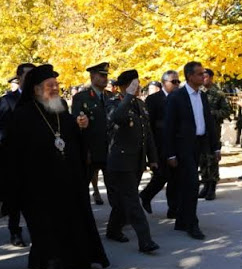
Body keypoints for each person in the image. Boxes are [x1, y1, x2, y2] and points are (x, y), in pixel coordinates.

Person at [4, 64, 109, 269]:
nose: (54, 89)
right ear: (35, 89)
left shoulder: (59, 106)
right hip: (39, 182)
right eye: (49, 85)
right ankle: (54, 266)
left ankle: (79, 258)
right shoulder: (23, 114)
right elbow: (14, 149)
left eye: (56, 85)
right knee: (47, 226)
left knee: (72, 219)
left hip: (67, 177)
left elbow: (68, 134)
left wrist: (81, 126)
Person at [103, 70, 160, 252]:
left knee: (123, 198)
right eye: (134, 84)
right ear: (124, 86)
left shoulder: (140, 104)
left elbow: (147, 133)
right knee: (133, 201)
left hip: (136, 161)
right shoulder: (114, 102)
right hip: (120, 160)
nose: (138, 87)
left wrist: (153, 159)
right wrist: (127, 96)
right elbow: (117, 118)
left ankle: (112, 229)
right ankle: (145, 240)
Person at [164, 61, 220, 240]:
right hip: (183, 147)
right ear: (189, 77)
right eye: (199, 74)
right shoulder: (176, 97)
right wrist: (170, 153)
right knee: (192, 185)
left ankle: (181, 220)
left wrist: (215, 146)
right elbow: (169, 128)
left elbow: (209, 122)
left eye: (203, 73)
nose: (203, 76)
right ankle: (192, 223)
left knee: (186, 184)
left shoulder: (202, 96)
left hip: (199, 145)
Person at [0, 63, 35, 247]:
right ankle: (15, 231)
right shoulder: (8, 100)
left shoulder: (39, 99)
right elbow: (0, 130)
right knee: (15, 199)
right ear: (19, 78)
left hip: (37, 157)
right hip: (15, 158)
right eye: (27, 75)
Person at [139, 70, 181, 217]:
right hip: (159, 144)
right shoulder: (153, 99)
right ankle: (146, 195)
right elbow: (149, 125)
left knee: (175, 179)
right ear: (164, 83)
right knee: (162, 176)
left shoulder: (180, 98)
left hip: (176, 144)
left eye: (178, 81)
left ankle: (173, 209)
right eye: (173, 82)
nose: (177, 84)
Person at [71, 62, 113, 206]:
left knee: (114, 188)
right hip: (90, 150)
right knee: (82, 188)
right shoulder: (81, 98)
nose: (104, 78)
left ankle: (118, 221)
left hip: (109, 150)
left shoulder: (111, 96)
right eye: (101, 75)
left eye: (106, 75)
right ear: (92, 76)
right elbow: (76, 123)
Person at [198, 69, 232, 200]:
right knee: (202, 159)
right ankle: (205, 185)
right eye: (201, 76)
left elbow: (227, 111)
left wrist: (211, 113)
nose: (203, 79)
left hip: (213, 131)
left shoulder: (218, 93)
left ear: (211, 78)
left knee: (212, 158)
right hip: (200, 130)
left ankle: (212, 187)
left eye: (205, 76)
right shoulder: (198, 92)